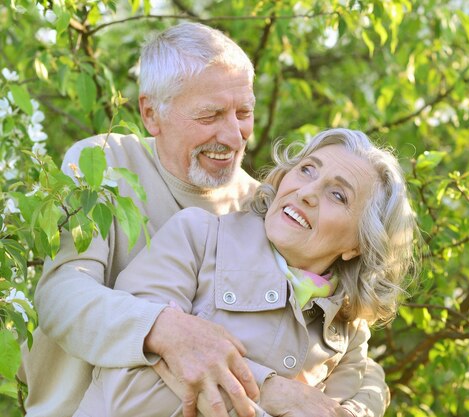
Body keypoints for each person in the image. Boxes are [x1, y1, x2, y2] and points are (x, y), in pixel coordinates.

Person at [20, 22, 391, 417]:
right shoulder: (103, 163)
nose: (233, 136)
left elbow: (348, 336)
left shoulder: (266, 209)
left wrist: (356, 405)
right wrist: (164, 329)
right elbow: (60, 292)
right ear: (151, 114)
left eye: (243, 112)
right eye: (210, 115)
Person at [72, 128, 417, 417]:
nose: (308, 192)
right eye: (307, 170)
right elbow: (128, 395)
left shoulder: (348, 329)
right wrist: (272, 392)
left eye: (338, 195)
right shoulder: (198, 238)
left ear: (357, 245)